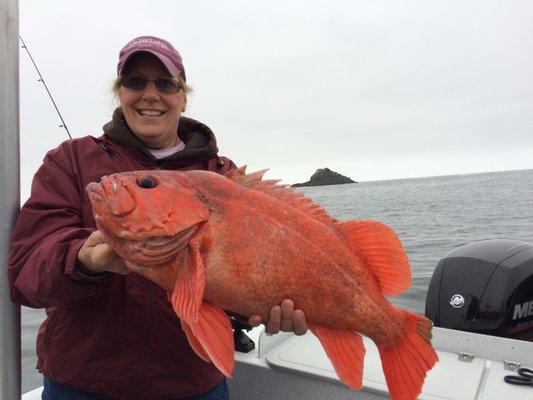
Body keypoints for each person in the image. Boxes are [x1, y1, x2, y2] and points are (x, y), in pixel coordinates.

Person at [8, 36, 307, 400]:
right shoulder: (72, 160)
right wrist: (83, 261)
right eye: (135, 82)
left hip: (190, 387)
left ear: (183, 96)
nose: (150, 94)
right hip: (82, 386)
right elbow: (24, 273)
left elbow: (233, 285)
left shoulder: (224, 177)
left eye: (166, 83)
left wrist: (260, 308)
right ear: (120, 92)